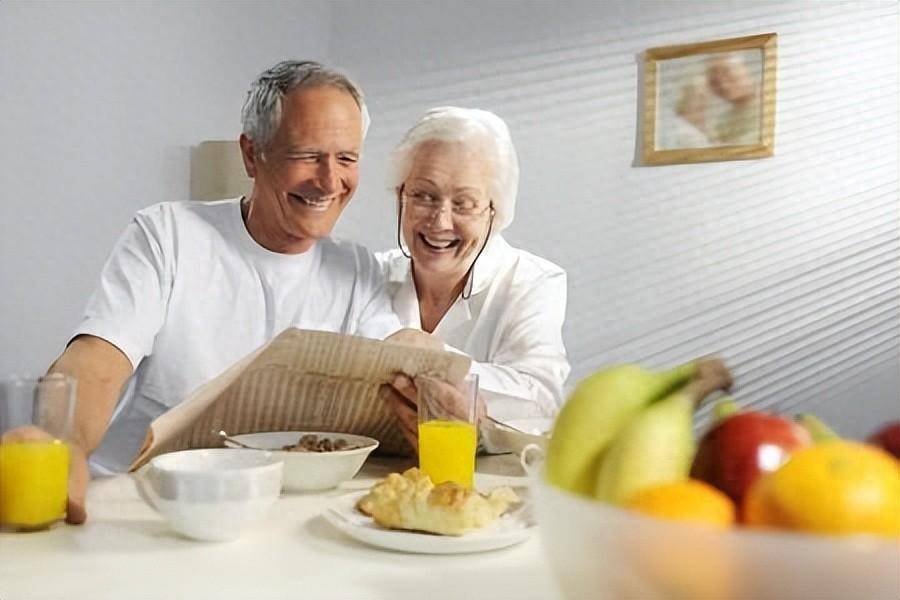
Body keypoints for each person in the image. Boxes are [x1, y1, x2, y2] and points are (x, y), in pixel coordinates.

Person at [36, 60, 426, 524]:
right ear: (251, 154)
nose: (329, 180)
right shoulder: (168, 234)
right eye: (307, 155)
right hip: (144, 505)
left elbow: (398, 372)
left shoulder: (357, 269)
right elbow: (97, 362)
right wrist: (59, 446)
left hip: (284, 516)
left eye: (347, 158)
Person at [376, 107, 570, 451]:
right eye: (423, 195)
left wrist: (438, 360)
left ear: (495, 212)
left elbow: (541, 401)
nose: (440, 221)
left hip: (484, 483)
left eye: (464, 203)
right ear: (399, 197)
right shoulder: (371, 274)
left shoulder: (532, 282)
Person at [706, 53, 761, 145]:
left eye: (727, 73)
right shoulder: (721, 122)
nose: (723, 86)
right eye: (715, 82)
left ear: (746, 69)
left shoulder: (769, 107)